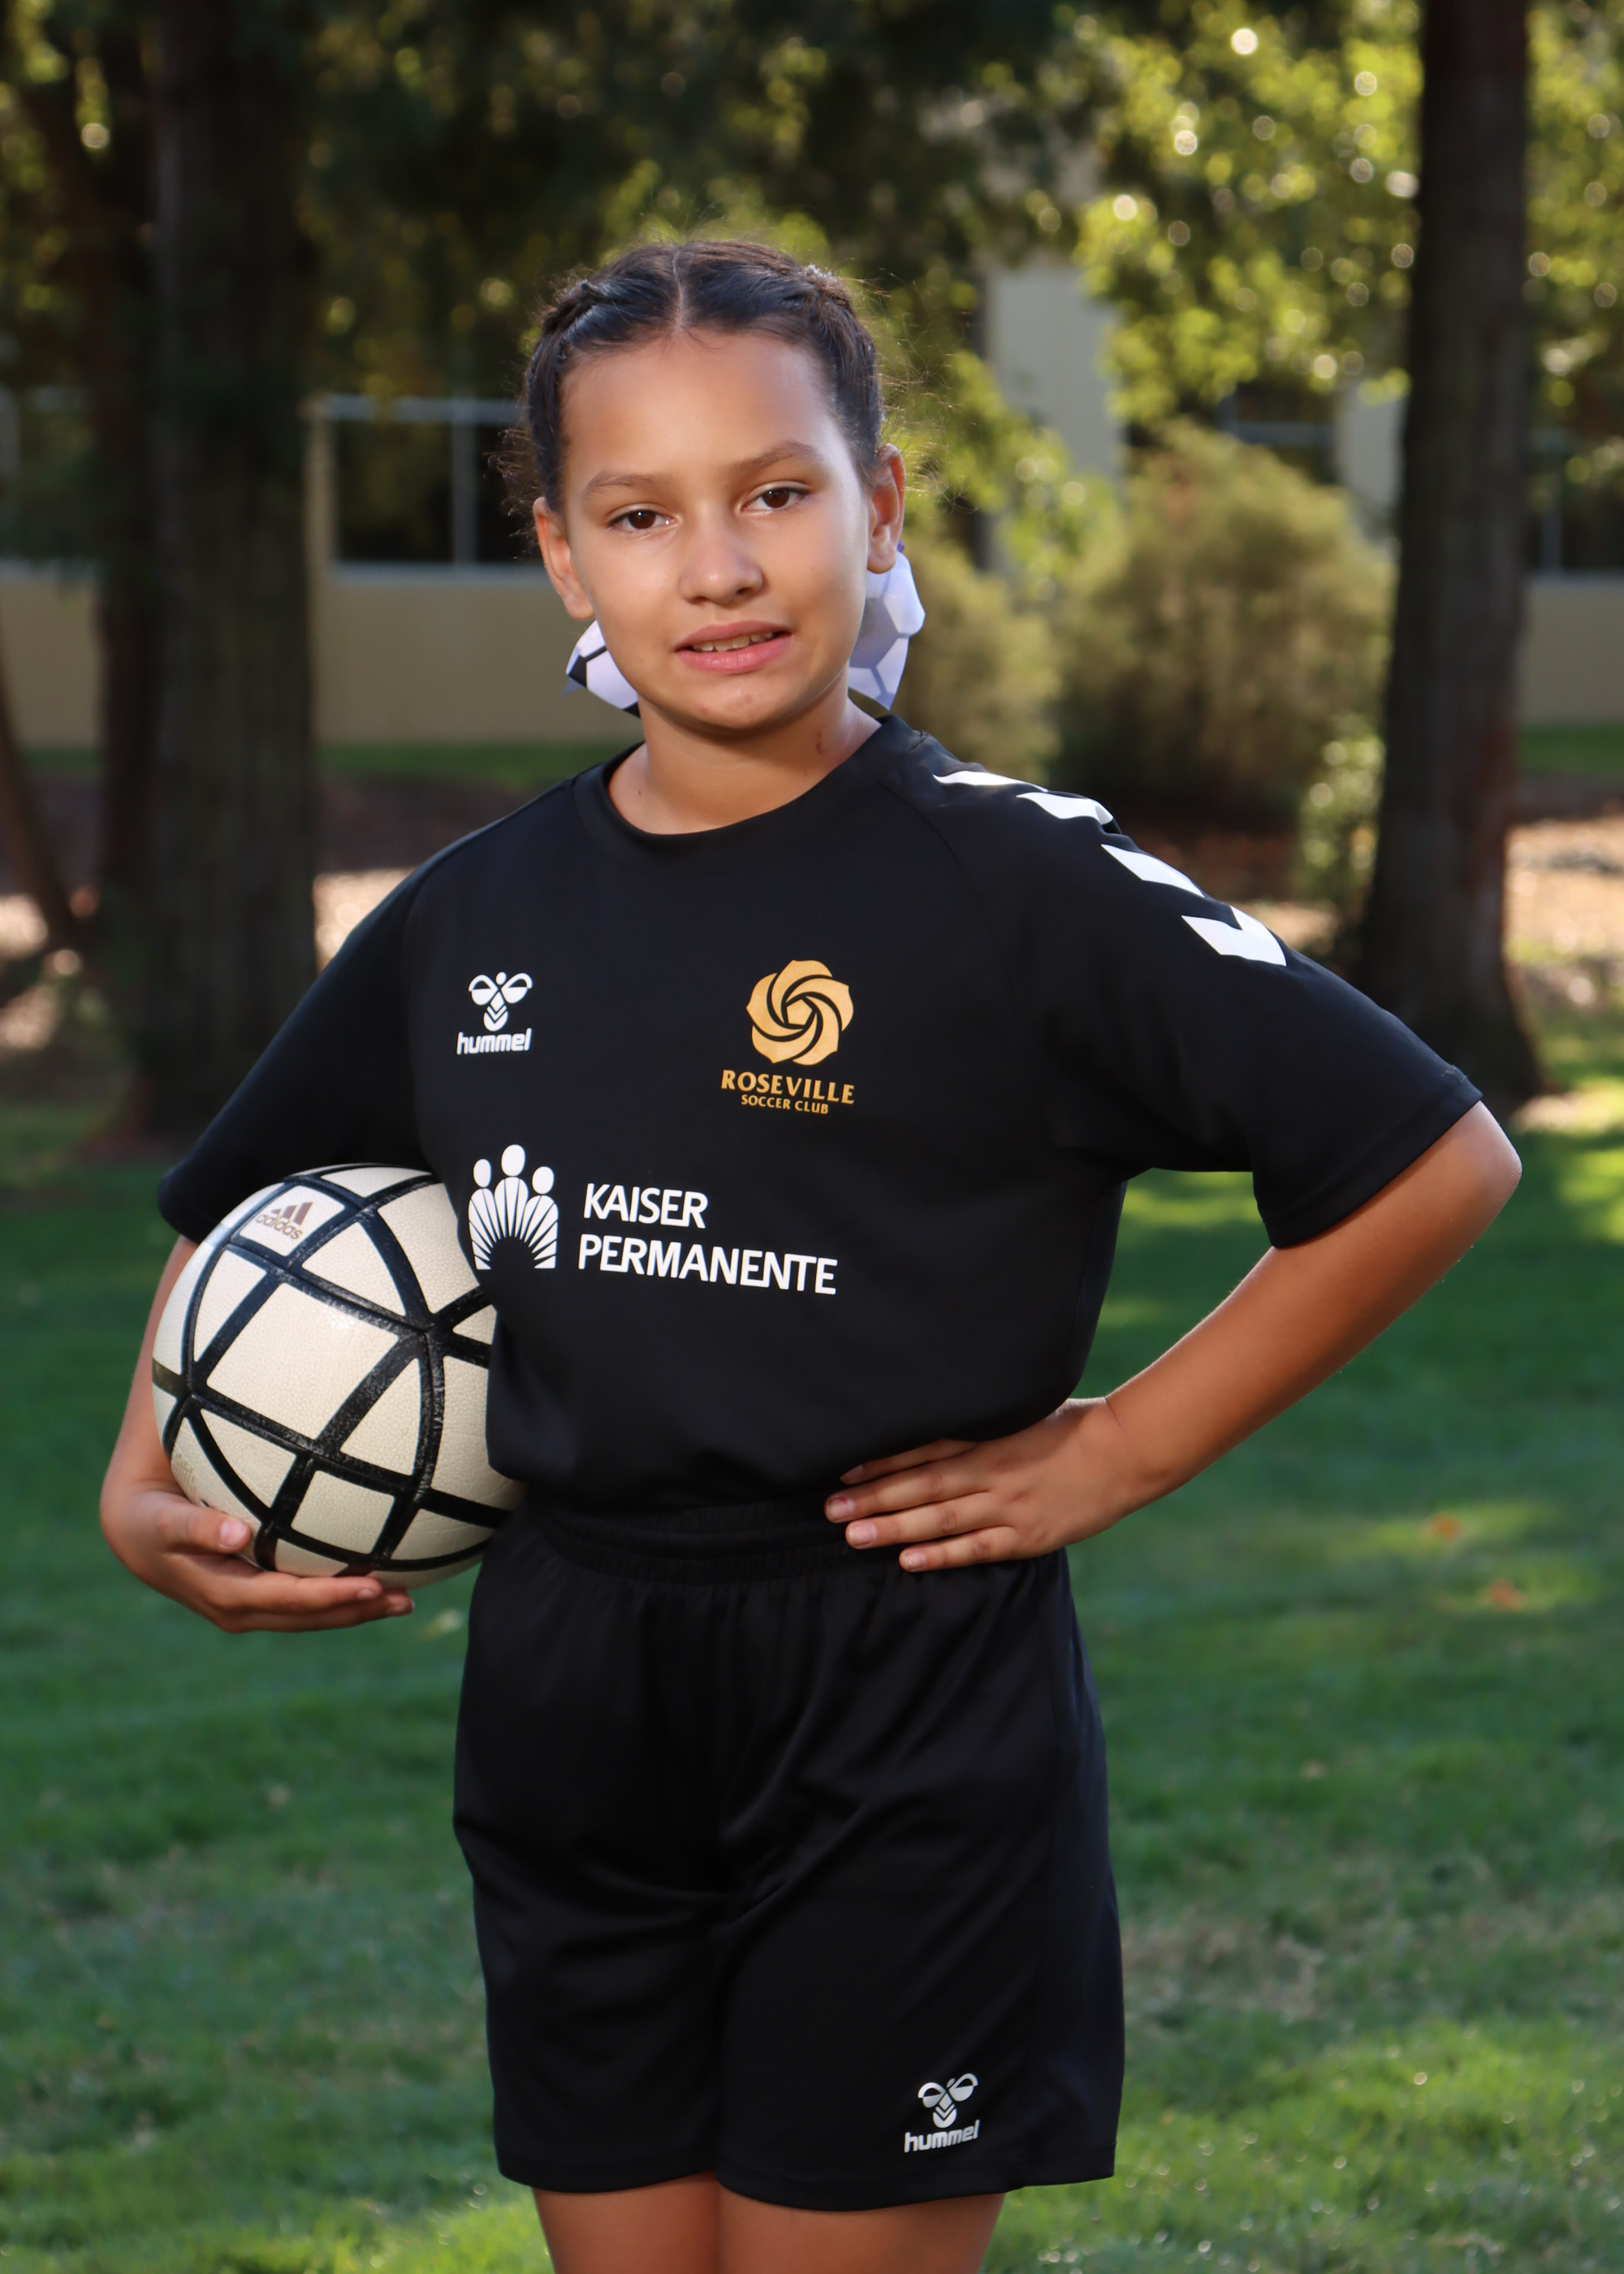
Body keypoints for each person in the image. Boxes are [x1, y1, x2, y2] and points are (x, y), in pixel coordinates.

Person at [99, 239, 1521, 2274]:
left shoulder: (1017, 881)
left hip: (898, 1692)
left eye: (774, 491)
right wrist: (145, 1460)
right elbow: (254, 1196)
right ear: (562, 556)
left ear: (881, 506)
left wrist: (1120, 1446)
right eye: (638, 514)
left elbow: (1430, 1156)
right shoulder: (473, 914)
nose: (719, 566)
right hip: (573, 1688)